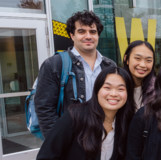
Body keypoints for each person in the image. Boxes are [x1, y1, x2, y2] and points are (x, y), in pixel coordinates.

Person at [35, 10, 116, 138]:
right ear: (72, 35)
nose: (88, 36)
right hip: (72, 138)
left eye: (93, 32)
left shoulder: (110, 65)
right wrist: (57, 143)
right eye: (81, 31)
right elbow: (45, 109)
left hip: (105, 135)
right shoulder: (54, 64)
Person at [36, 67, 136, 160]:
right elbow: (45, 156)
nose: (114, 94)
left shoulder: (128, 122)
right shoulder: (73, 117)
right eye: (107, 88)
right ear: (97, 90)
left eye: (121, 89)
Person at [122, 40, 156, 110]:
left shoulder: (159, 89)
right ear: (126, 59)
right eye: (137, 58)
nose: (143, 65)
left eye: (149, 60)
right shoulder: (116, 86)